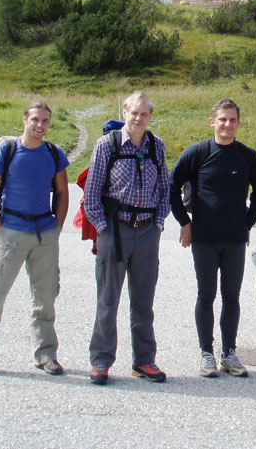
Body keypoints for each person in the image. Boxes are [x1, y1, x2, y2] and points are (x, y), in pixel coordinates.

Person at [0, 100, 69, 377]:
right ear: (24, 120)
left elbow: (62, 192)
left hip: (43, 234)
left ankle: (46, 355)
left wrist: (55, 229)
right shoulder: (6, 151)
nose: (40, 125)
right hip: (11, 233)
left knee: (45, 300)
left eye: (45, 121)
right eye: (35, 119)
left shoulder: (54, 154)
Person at [170, 99, 256, 378]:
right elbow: (171, 187)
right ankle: (206, 353)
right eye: (222, 119)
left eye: (232, 120)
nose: (227, 124)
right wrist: (185, 223)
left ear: (238, 123)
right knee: (206, 295)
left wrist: (247, 224)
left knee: (232, 296)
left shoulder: (247, 156)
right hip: (204, 238)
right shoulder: (197, 152)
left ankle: (229, 353)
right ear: (212, 122)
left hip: (235, 238)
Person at [84, 91, 170, 385]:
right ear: (124, 112)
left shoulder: (156, 146)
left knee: (144, 301)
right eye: (134, 113)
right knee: (108, 299)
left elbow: (165, 191)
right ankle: (101, 360)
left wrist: (158, 223)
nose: (138, 119)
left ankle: (144, 360)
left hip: (147, 230)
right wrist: (103, 228)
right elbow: (91, 194)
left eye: (144, 114)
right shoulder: (106, 145)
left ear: (150, 117)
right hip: (114, 229)